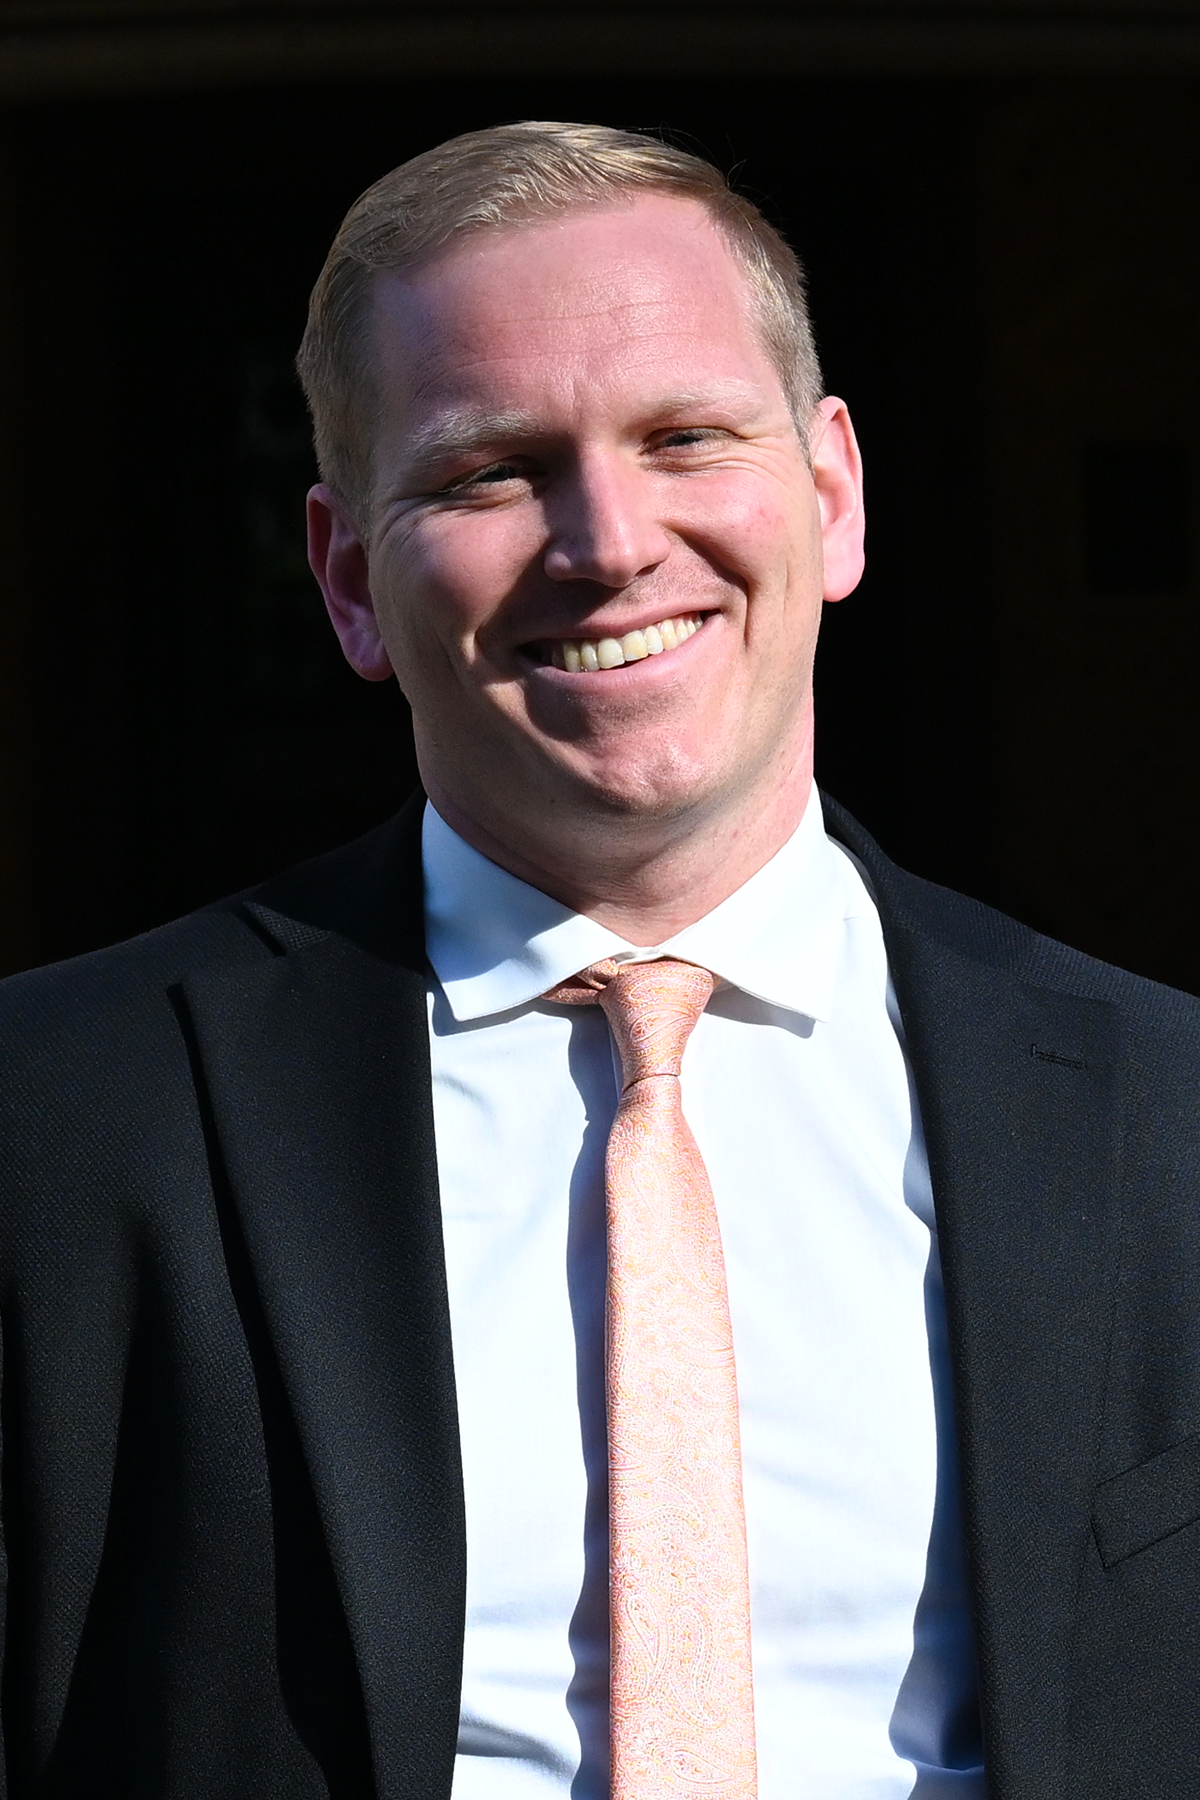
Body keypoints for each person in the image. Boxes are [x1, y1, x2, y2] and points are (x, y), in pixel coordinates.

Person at [0, 120, 1198, 1800]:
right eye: (492, 469)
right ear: (346, 581)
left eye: (687, 436)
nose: (609, 541)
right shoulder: (55, 1115)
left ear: (834, 495)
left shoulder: (1169, 1115)